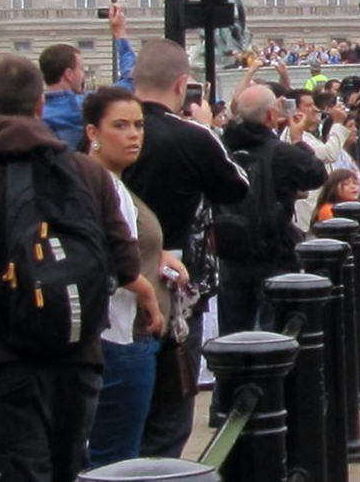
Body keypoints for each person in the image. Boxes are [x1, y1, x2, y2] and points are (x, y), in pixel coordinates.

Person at [0, 55, 146, 482]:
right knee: (67, 465)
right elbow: (125, 260)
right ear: (39, 105)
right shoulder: (85, 171)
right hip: (76, 349)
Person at [121, 39, 250, 459]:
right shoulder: (192, 136)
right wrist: (207, 126)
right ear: (182, 85)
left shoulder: (108, 129)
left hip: (118, 274)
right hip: (177, 284)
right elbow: (237, 188)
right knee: (170, 411)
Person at [84, 86, 185, 469]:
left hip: (121, 334)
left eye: (139, 125)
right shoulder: (103, 184)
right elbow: (108, 252)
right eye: (121, 125)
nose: (134, 135)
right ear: (93, 133)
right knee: (116, 457)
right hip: (123, 334)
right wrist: (145, 293)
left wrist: (156, 254)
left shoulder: (109, 180)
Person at [217, 85, 327, 335]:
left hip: (231, 249)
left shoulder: (222, 148)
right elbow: (316, 175)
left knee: (234, 332)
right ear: (270, 116)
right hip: (274, 249)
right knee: (275, 330)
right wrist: (298, 140)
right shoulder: (282, 153)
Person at [40, 5, 137, 147]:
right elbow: (130, 81)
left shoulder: (37, 110)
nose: (83, 75)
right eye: (81, 69)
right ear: (69, 74)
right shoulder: (81, 105)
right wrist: (120, 33)